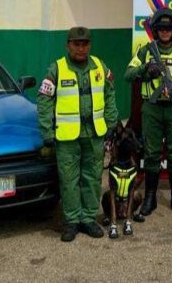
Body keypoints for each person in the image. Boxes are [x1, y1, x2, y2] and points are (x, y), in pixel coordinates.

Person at [37, 26, 118, 242]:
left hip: (95, 134)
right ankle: (71, 221)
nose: (81, 48)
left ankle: (88, 219)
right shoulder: (56, 69)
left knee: (92, 178)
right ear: (68, 45)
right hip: (67, 137)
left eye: (85, 44)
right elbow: (44, 101)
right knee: (69, 180)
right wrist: (46, 129)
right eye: (76, 44)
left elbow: (110, 94)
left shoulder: (100, 66)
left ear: (90, 45)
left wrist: (112, 122)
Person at [125, 8, 172, 216]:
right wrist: (145, 70)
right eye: (160, 29)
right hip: (152, 109)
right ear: (155, 31)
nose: (164, 33)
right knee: (151, 153)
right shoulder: (146, 51)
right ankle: (150, 198)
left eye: (168, 29)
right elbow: (128, 74)